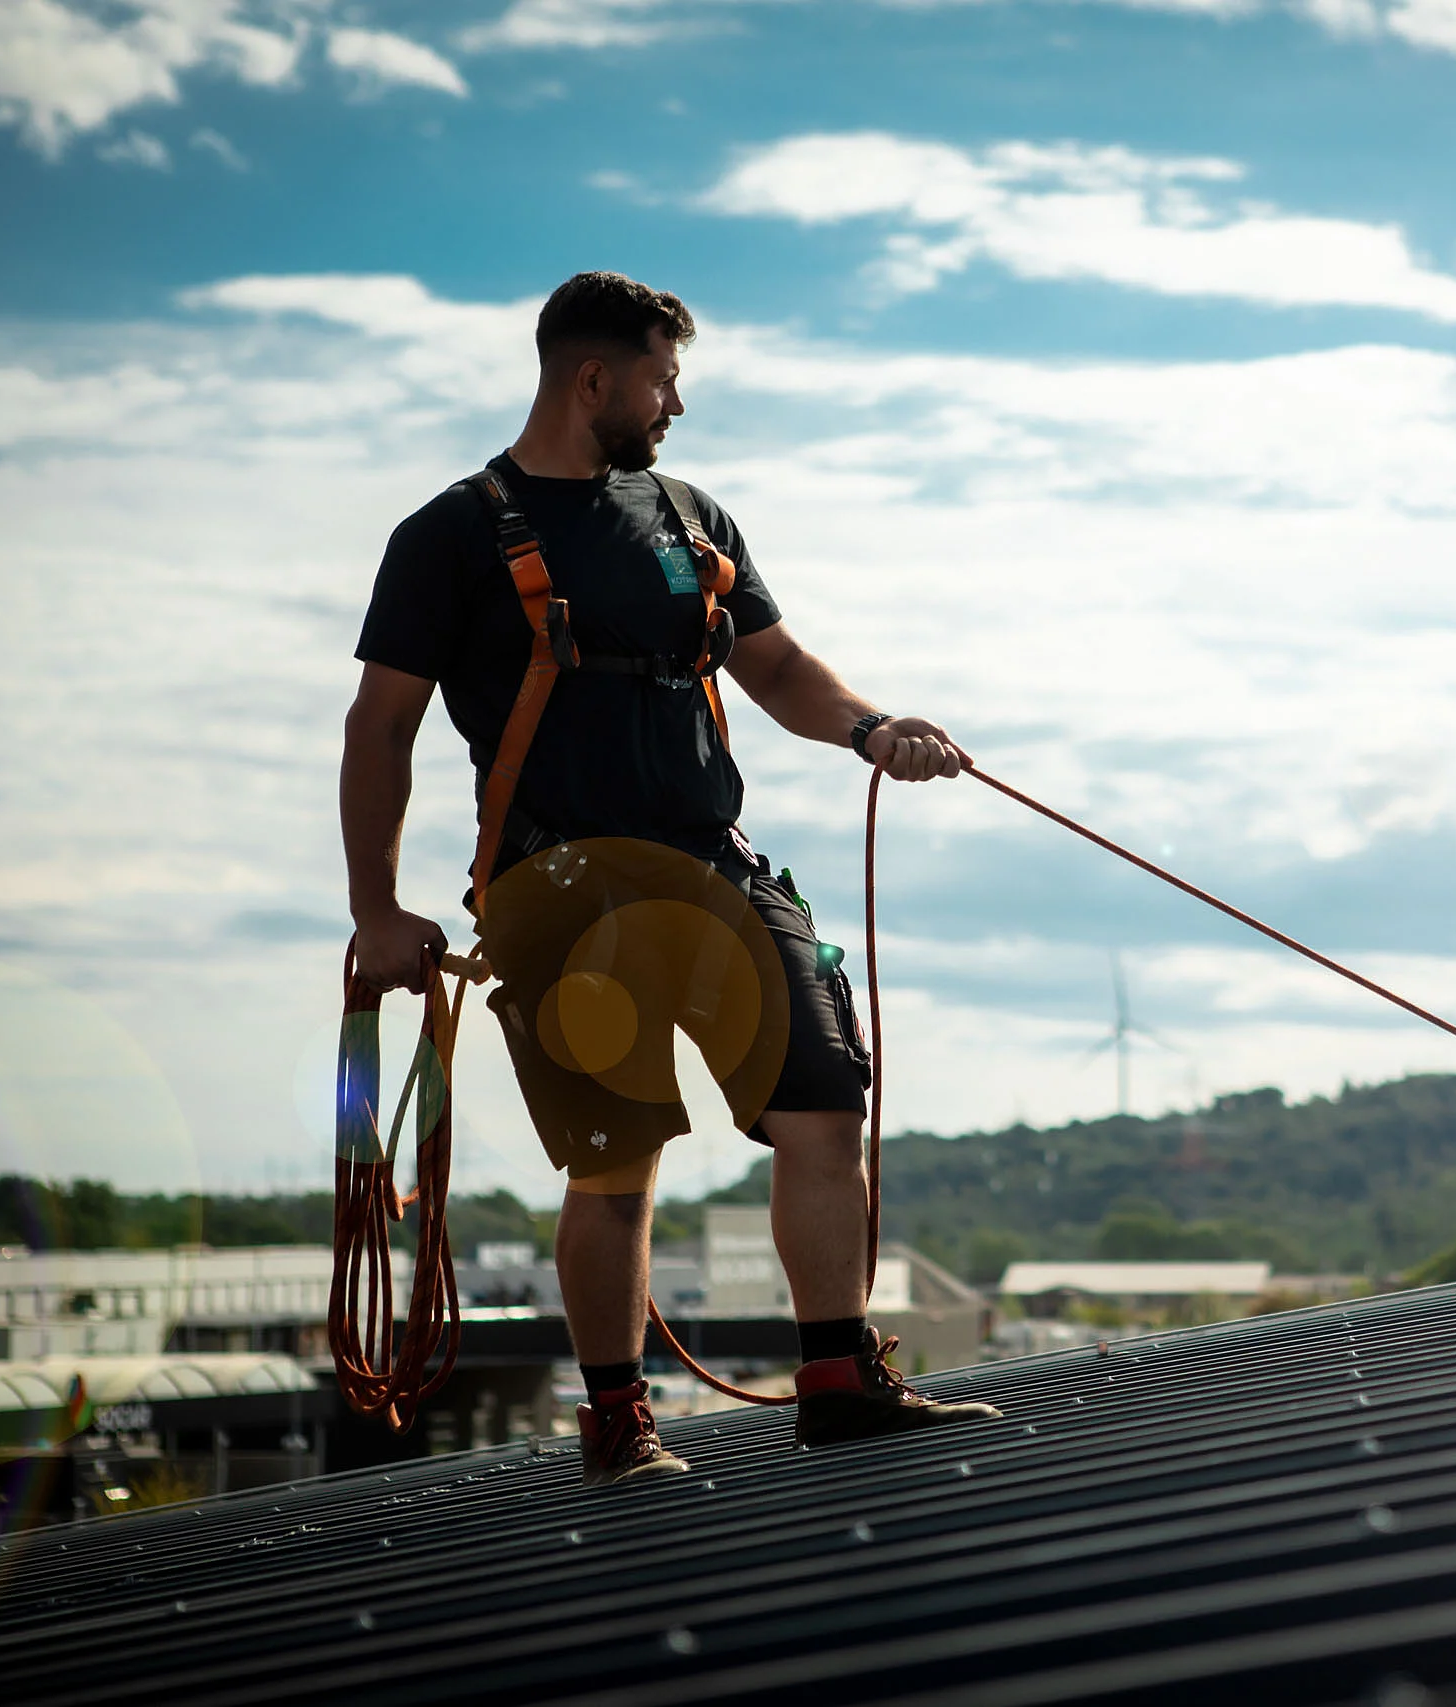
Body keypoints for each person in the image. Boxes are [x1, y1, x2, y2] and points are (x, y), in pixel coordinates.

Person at [339, 271, 998, 1482]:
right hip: (562, 885)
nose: (675, 401)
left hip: (713, 867)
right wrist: (376, 910)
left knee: (821, 1112)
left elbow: (782, 667)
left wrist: (871, 727)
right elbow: (379, 729)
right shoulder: (450, 536)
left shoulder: (689, 516)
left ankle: (839, 1382)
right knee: (617, 1165)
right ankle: (615, 1420)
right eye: (662, 376)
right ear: (594, 378)